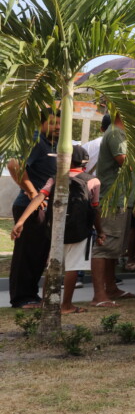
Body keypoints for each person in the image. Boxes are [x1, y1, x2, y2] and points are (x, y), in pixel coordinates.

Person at [11, 145, 103, 314]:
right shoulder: (93, 181)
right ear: (85, 162)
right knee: (72, 267)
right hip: (80, 231)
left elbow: (39, 197)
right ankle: (66, 305)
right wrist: (100, 231)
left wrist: (21, 221)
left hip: (56, 229)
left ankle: (47, 303)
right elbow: (95, 208)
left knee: (53, 266)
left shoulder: (54, 179)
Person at [7, 109, 60, 308]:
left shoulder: (51, 143)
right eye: (53, 123)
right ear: (42, 123)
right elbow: (14, 165)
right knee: (26, 255)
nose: (57, 127)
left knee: (38, 254)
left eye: (59, 124)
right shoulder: (36, 141)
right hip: (29, 208)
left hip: (44, 208)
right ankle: (21, 298)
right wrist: (31, 192)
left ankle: (31, 295)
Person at [91, 112, 135, 306]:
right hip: (112, 199)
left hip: (121, 199)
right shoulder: (116, 133)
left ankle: (111, 288)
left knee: (114, 249)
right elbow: (125, 161)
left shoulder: (120, 133)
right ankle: (99, 295)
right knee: (105, 246)